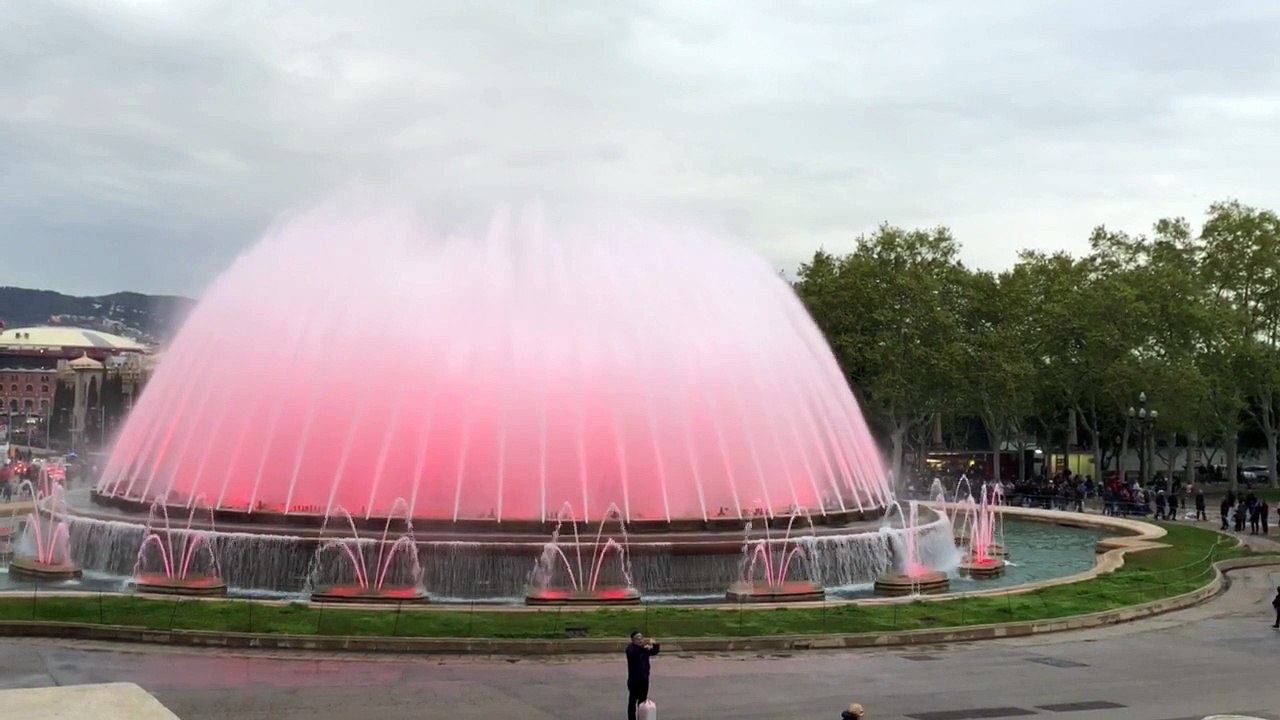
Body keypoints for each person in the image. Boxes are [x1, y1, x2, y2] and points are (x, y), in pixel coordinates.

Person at [625, 630, 660, 720]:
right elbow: (635, 652)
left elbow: (654, 652)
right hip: (634, 680)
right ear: (633, 640)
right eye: (637, 638)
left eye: (641, 638)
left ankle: (642, 717)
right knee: (632, 701)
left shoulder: (644, 649)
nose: (640, 640)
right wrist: (645, 648)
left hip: (644, 679)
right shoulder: (631, 649)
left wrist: (655, 645)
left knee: (642, 701)